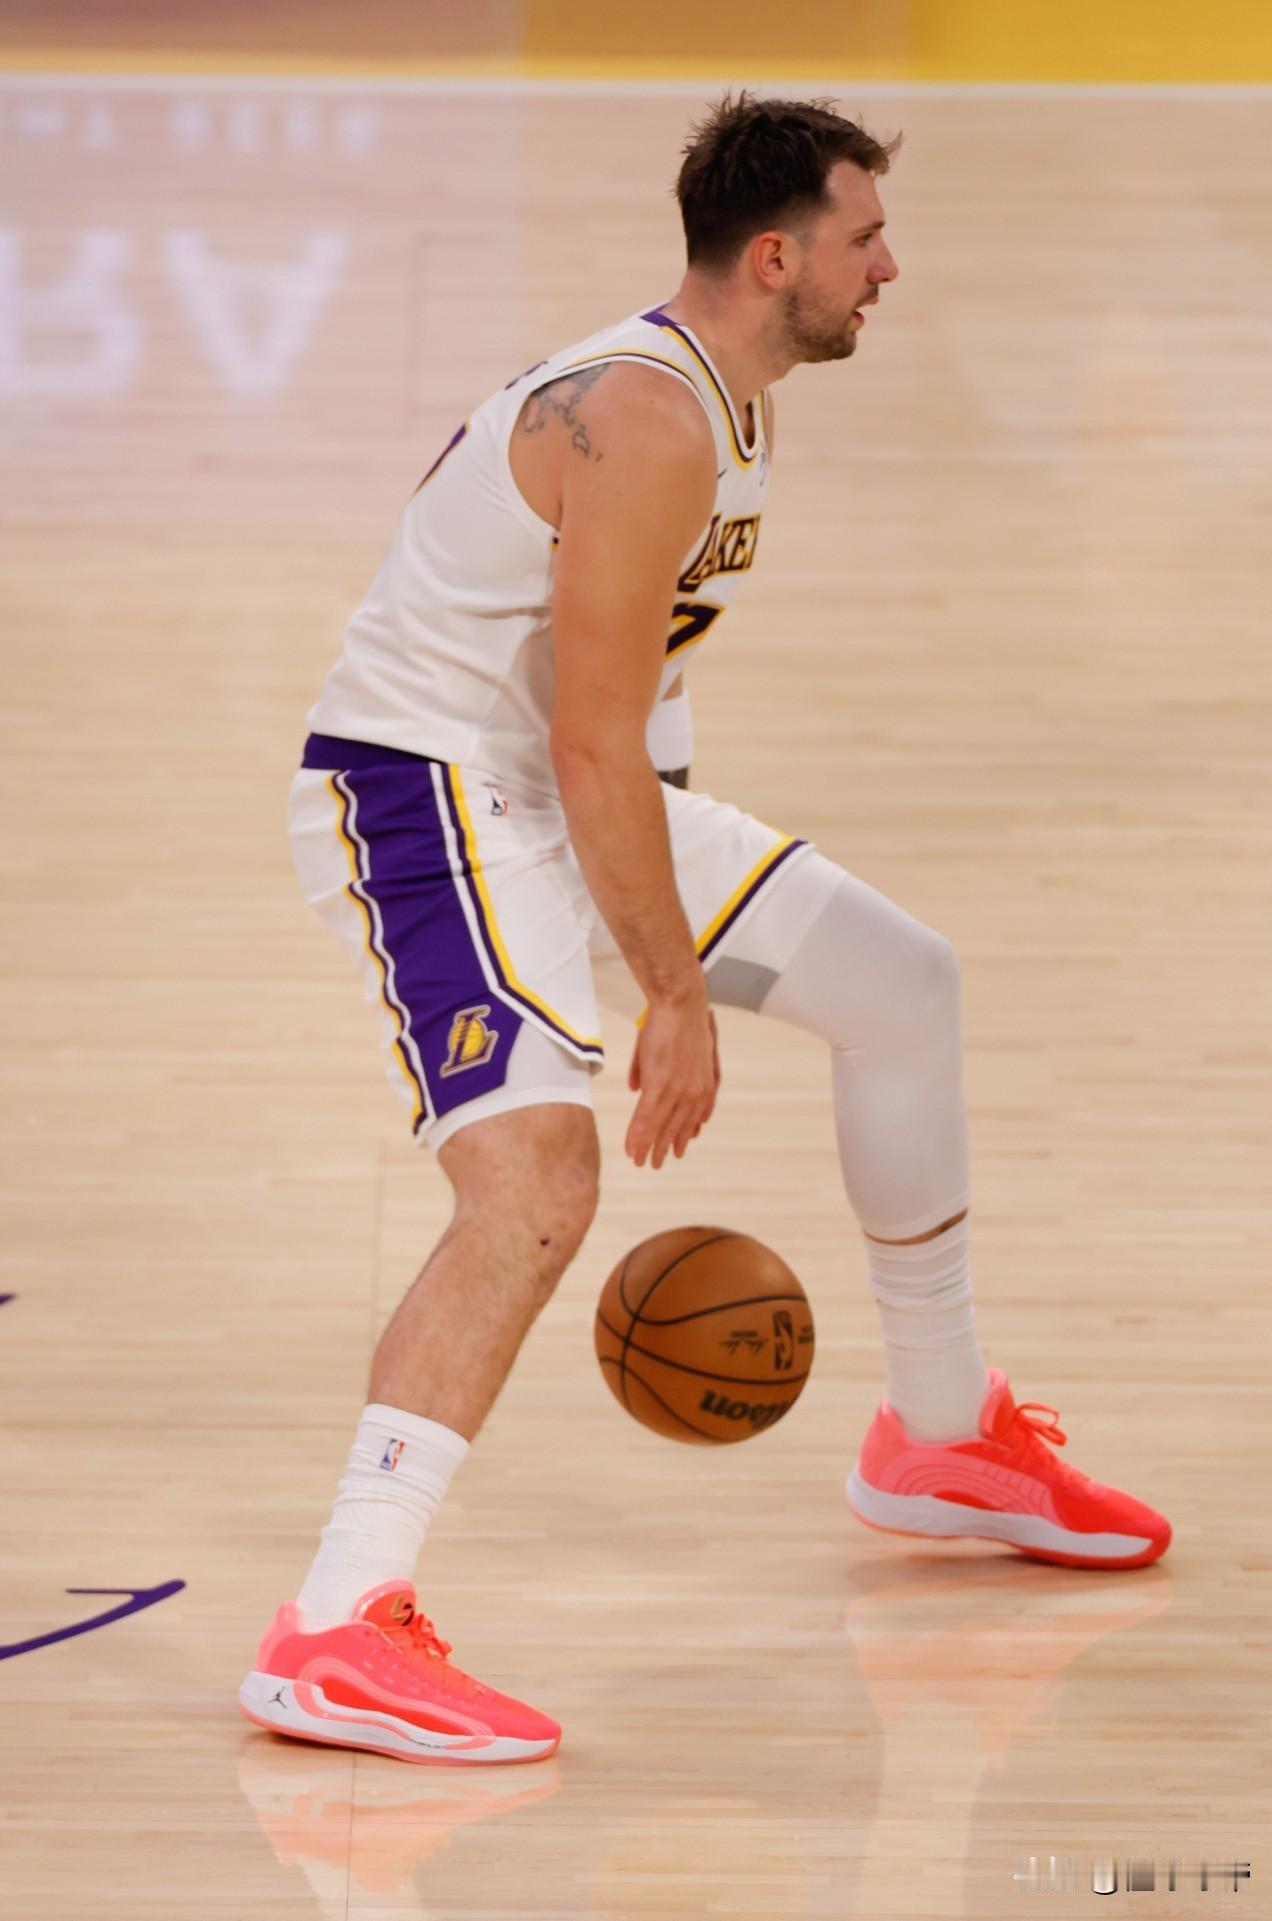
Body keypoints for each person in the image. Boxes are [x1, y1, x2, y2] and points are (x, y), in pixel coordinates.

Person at [238, 93, 1170, 1768]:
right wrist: (671, 987)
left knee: (901, 985)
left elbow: (631, 716)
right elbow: (585, 734)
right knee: (536, 1181)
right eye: (865, 238)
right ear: (776, 257)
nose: (890, 267)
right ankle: (333, 1622)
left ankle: (939, 1437)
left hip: (560, 787)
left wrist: (677, 908)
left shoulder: (729, 402)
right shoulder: (649, 418)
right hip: (428, 794)